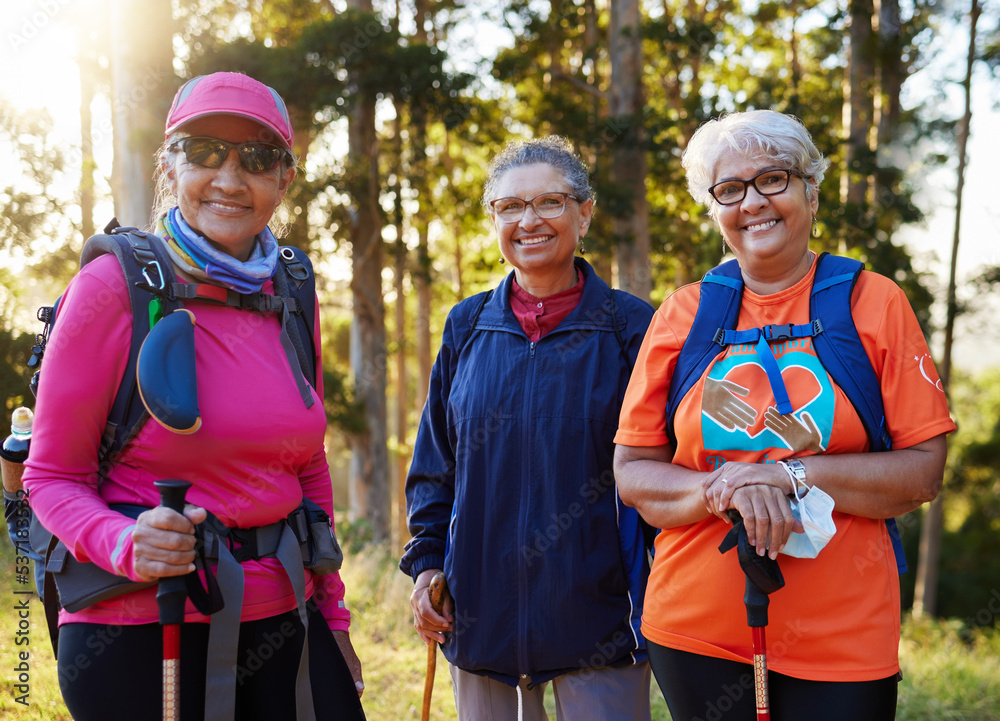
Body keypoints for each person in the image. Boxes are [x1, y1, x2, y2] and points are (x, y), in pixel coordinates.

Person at [22, 72, 366, 721]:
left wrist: (333, 614)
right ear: (169, 163)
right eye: (206, 150)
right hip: (142, 620)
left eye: (259, 157)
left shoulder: (291, 289)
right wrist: (128, 542)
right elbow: (50, 475)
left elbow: (308, 466)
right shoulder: (113, 285)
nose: (231, 179)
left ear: (285, 178)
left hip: (283, 610)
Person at [613, 109, 956, 721]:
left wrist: (789, 477)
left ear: (810, 190)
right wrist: (727, 486)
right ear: (715, 209)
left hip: (845, 639)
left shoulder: (873, 303)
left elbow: (922, 472)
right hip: (696, 630)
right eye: (730, 189)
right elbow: (635, 472)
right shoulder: (683, 314)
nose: (753, 203)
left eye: (773, 178)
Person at [400, 136, 655, 720]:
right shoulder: (466, 326)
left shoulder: (629, 326)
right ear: (494, 219)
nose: (528, 220)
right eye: (510, 207)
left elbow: (660, 469)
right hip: (479, 617)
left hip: (601, 627)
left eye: (549, 202)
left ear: (584, 211)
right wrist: (428, 564)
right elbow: (435, 468)